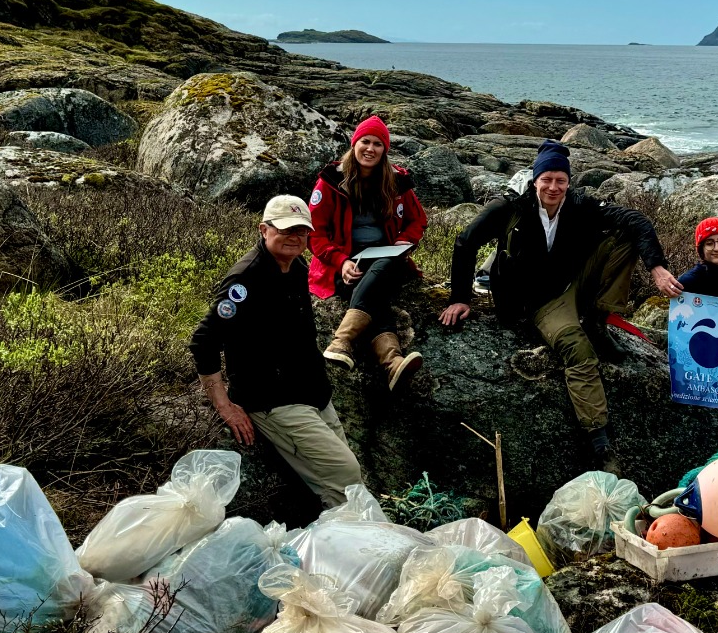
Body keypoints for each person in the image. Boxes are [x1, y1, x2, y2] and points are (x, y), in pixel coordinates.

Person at [439, 139, 684, 472]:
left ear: (569, 182)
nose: (553, 187)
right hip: (537, 302)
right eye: (547, 179)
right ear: (535, 180)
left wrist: (656, 266)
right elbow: (465, 242)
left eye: (561, 180)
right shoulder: (510, 209)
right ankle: (599, 438)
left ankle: (597, 319)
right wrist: (459, 298)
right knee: (577, 348)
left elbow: (638, 221)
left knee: (625, 236)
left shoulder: (579, 205)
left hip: (571, 284)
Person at [190, 195, 364, 508]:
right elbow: (204, 340)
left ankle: (347, 537)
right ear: (264, 230)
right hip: (274, 399)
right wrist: (224, 404)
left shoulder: (297, 265)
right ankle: (350, 541)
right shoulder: (245, 279)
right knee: (346, 475)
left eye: (301, 231)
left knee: (347, 482)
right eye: (286, 230)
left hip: (312, 391)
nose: (295, 238)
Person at [308, 116, 429, 390]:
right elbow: (314, 232)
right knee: (375, 296)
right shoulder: (330, 181)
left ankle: (343, 340)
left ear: (384, 150)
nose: (370, 149)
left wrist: (405, 241)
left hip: (387, 258)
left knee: (385, 264)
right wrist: (341, 261)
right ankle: (393, 362)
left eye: (377, 144)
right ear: (355, 144)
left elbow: (417, 220)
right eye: (365, 141)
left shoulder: (396, 182)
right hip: (344, 261)